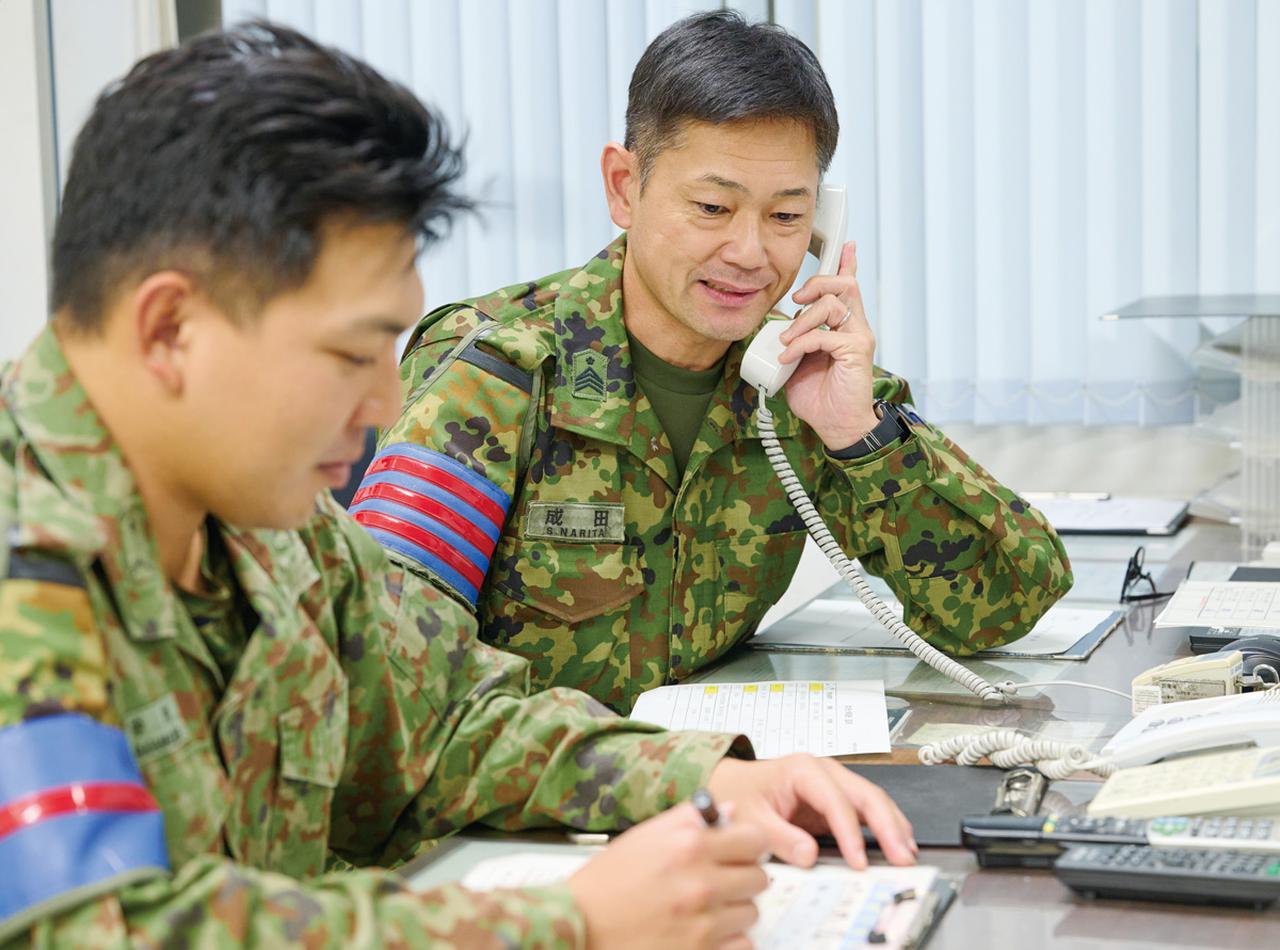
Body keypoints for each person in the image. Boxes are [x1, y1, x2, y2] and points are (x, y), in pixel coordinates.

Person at [0, 22, 916, 949]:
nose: (388, 396)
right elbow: (85, 933)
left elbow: (445, 721)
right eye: (350, 351)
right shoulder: (23, 562)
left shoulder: (268, 527)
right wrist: (571, 923)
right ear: (167, 329)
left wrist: (711, 779)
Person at [357, 11, 1074, 713]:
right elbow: (387, 672)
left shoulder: (799, 381)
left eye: (787, 217)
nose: (751, 254)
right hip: (522, 813)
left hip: (721, 797)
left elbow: (1005, 606)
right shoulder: (493, 373)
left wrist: (863, 438)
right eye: (711, 207)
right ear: (624, 187)